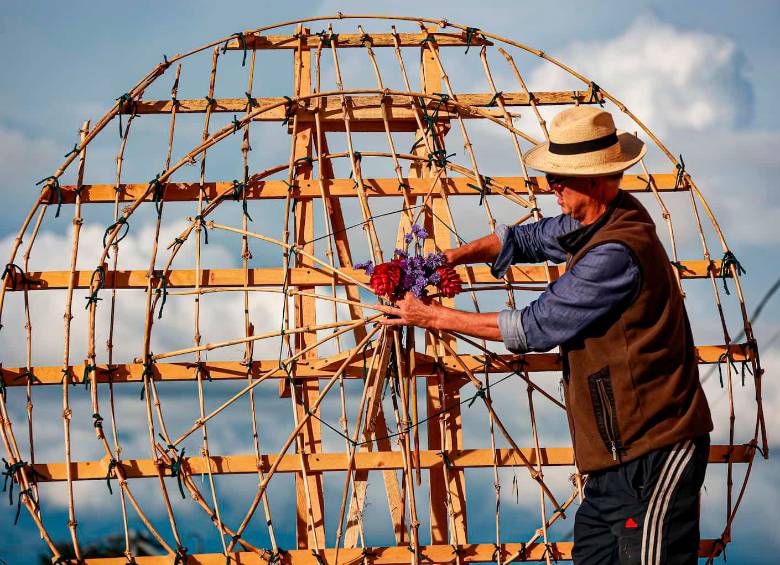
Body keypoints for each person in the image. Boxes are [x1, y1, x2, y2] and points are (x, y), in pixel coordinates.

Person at [374, 106, 713, 564]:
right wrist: (447, 258)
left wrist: (432, 317)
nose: (550, 185)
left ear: (597, 180)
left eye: (561, 176)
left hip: (653, 449)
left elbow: (534, 326)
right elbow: (525, 240)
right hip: (612, 458)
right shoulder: (596, 218)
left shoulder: (615, 251)